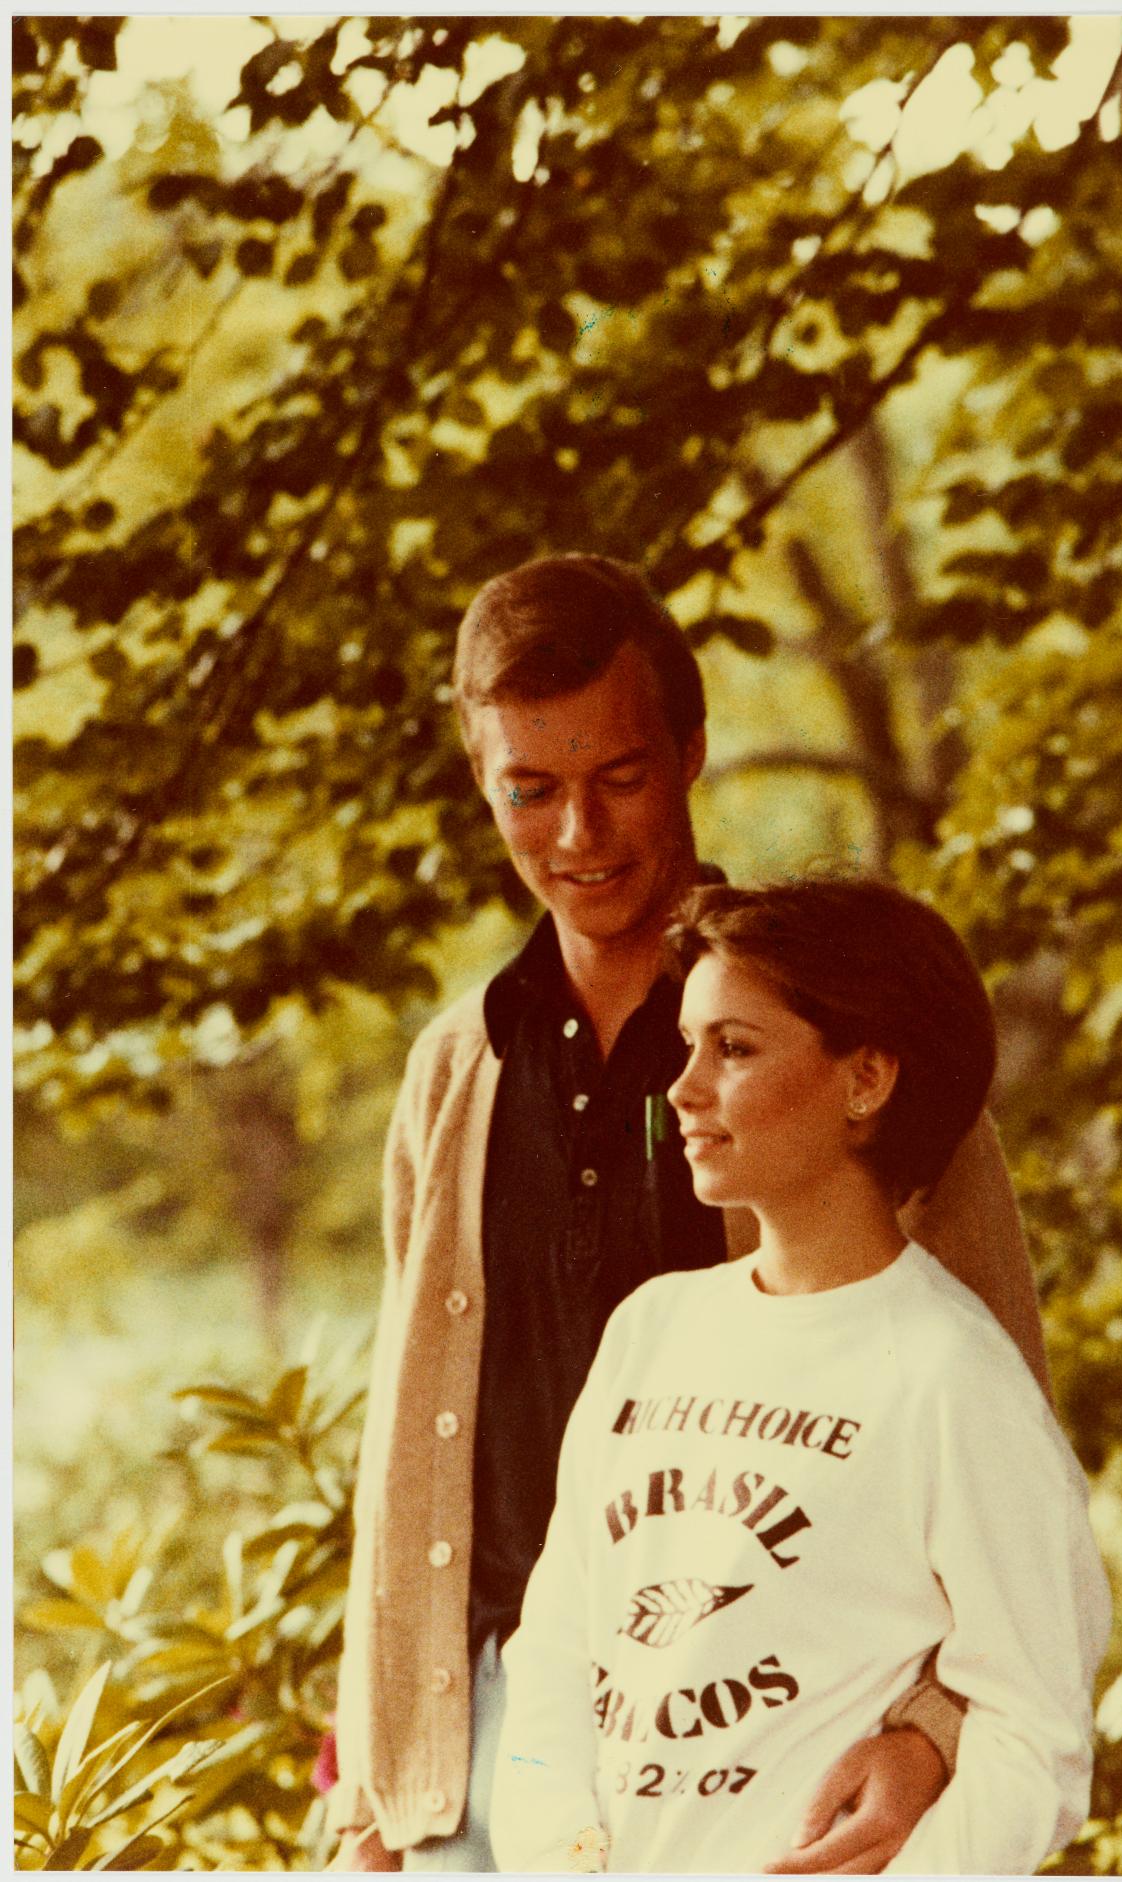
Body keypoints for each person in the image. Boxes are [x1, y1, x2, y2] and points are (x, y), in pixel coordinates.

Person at [327, 556, 1053, 1872]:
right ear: (485, 787)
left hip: (777, 1717)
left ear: (693, 750)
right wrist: (371, 1773)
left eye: (618, 777)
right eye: (529, 791)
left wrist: (933, 1724)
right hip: (490, 1737)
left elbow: (1002, 1422)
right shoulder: (456, 1070)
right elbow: (410, 1442)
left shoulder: (847, 1042)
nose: (579, 837)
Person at [491, 877, 1111, 1875]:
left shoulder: (951, 1378)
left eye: (731, 1048)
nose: (682, 1087)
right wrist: (557, 1855)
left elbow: (1030, 1732)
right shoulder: (650, 1331)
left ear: (864, 1078)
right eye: (686, 1043)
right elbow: (555, 1652)